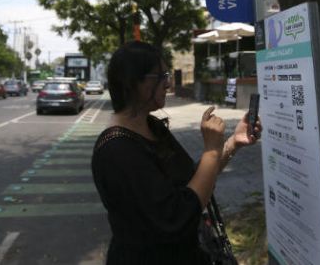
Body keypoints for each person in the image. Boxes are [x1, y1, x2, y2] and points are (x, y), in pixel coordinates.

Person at [91, 41, 262, 264]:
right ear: (133, 83)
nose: (168, 84)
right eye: (160, 76)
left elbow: (194, 179)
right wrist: (211, 150)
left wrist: (233, 143)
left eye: (168, 75)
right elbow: (178, 218)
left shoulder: (152, 126)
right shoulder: (117, 151)